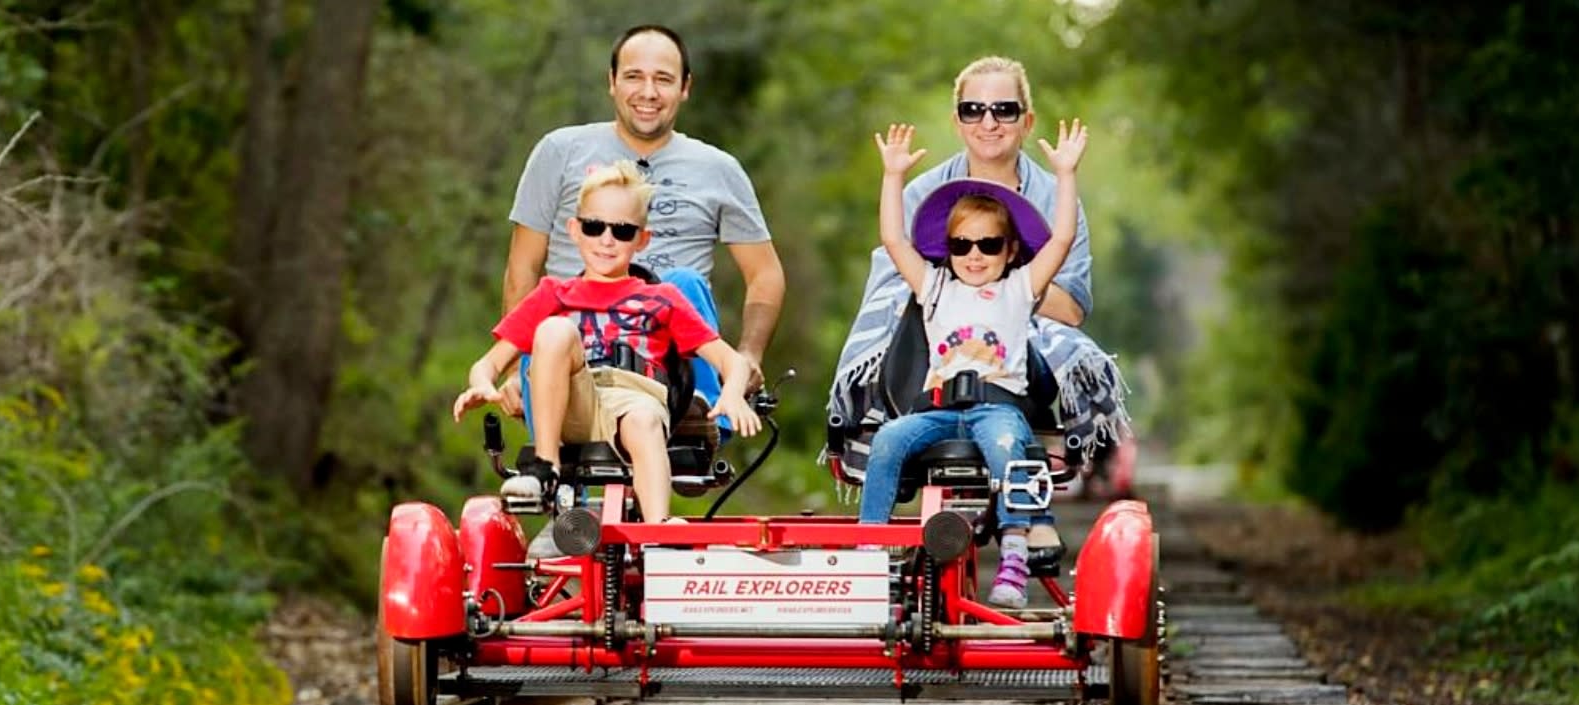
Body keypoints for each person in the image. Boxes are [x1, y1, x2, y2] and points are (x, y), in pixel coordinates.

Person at [826, 55, 1130, 572]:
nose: (988, 121)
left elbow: (1071, 305)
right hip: (934, 343)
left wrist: (1003, 290)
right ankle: (870, 540)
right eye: (974, 109)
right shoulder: (922, 195)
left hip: (1020, 350)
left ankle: (1026, 520)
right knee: (904, 316)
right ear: (958, 120)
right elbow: (892, 267)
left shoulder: (1055, 200)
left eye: (1004, 109)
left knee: (1048, 347)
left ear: (1026, 121)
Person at [501, 24, 785, 427]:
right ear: (612, 82)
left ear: (685, 87)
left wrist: (750, 354)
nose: (648, 93)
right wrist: (512, 369)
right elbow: (523, 267)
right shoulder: (559, 152)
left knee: (682, 283)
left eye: (664, 79)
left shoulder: (718, 169)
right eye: (634, 76)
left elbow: (765, 272)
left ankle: (699, 415)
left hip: (671, 358)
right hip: (572, 348)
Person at [856, 119, 1090, 608]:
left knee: (1009, 448)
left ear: (1009, 252)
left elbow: (1062, 239)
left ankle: (1013, 556)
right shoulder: (935, 286)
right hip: (940, 407)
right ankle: (869, 550)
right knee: (889, 439)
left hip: (997, 407)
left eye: (988, 245)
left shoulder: (1018, 288)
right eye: (962, 245)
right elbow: (894, 240)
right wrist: (892, 176)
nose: (975, 256)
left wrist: (1065, 175)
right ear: (948, 249)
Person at [455, 161, 762, 524]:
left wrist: (731, 394)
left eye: (622, 231)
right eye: (594, 226)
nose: (606, 240)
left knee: (644, 420)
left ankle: (656, 529)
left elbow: (732, 361)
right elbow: (488, 363)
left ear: (641, 240)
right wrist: (481, 385)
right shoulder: (554, 293)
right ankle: (545, 469)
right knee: (555, 331)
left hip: (636, 399)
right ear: (575, 230)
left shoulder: (662, 298)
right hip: (575, 400)